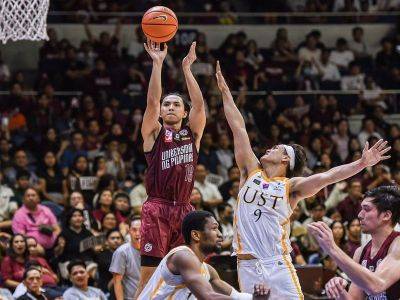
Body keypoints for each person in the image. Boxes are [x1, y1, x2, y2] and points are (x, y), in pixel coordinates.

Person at [215, 61, 391, 298]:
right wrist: (226, 92)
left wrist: (361, 164)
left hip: (276, 263)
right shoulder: (250, 170)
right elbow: (238, 128)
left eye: (276, 148)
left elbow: (328, 177)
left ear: (286, 160)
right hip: (246, 265)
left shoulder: (291, 187)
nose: (269, 149)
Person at [137, 39, 207, 294]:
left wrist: (187, 69)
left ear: (184, 113)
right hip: (157, 208)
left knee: (187, 277)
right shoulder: (154, 134)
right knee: (148, 278)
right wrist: (158, 63)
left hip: (185, 210)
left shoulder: (193, 134)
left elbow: (200, 105)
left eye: (176, 104)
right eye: (167, 104)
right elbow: (152, 103)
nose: (170, 107)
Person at [138, 211, 269, 299]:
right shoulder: (182, 256)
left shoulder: (208, 271)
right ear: (196, 235)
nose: (220, 234)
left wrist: (253, 297)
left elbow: (236, 296)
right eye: (214, 228)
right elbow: (208, 296)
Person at [308, 186, 400, 299]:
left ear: (386, 215)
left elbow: (376, 285)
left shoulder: (398, 244)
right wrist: (339, 290)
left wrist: (332, 248)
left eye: (366, 209)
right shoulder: (360, 252)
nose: (360, 215)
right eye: (361, 209)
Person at [109, 217, 141, 300]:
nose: (138, 233)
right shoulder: (121, 252)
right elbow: (117, 281)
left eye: (141, 230)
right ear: (129, 231)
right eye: (134, 230)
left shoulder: (153, 250)